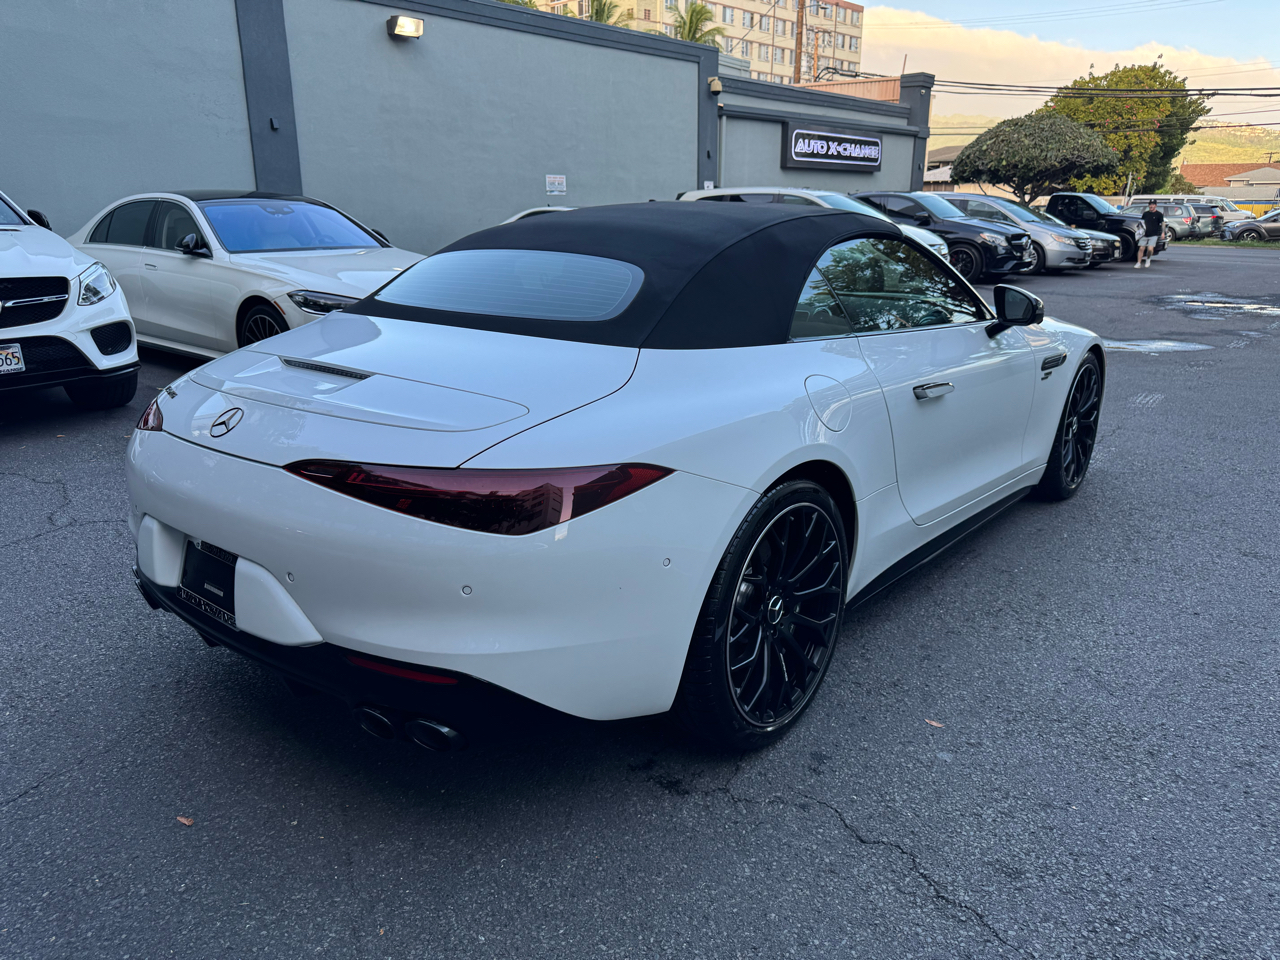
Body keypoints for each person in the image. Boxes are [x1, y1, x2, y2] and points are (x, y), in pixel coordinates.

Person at [1137, 200, 1163, 268]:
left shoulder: (1159, 214)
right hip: (1144, 234)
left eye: (1153, 204)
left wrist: (1163, 233)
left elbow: (1162, 223)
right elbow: (1142, 223)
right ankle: (1138, 262)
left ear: (1155, 205)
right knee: (1141, 248)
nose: (1151, 206)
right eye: (1150, 204)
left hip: (1154, 234)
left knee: (1150, 249)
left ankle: (1148, 259)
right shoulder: (1145, 214)